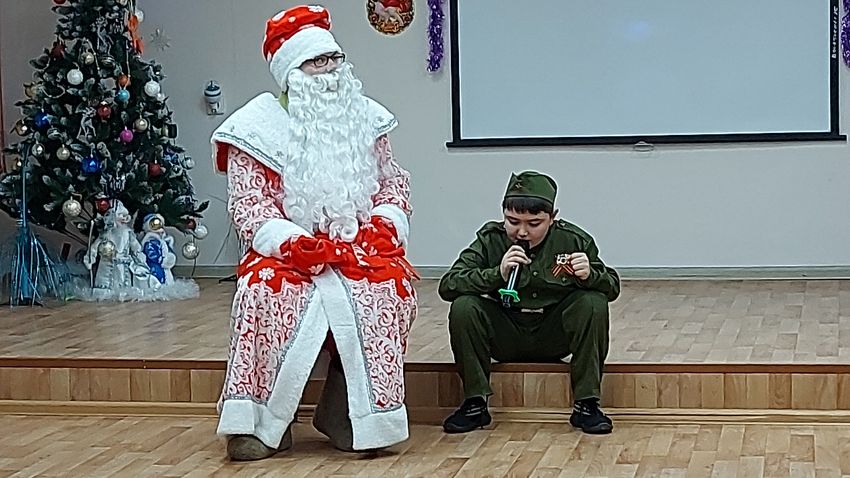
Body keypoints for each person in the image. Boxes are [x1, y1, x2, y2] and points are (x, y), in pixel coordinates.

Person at [210, 4, 417, 461]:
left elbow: (392, 182)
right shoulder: (253, 129)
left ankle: (348, 414)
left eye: (333, 59)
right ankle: (262, 422)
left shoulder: (367, 118)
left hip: (358, 246)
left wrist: (386, 223)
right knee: (265, 293)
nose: (328, 70)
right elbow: (249, 204)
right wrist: (290, 242)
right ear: (291, 72)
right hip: (286, 252)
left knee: (388, 289)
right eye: (315, 62)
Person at [438, 171, 619, 435]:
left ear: (552, 218)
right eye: (512, 221)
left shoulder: (573, 240)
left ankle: (587, 404)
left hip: (553, 332)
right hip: (506, 332)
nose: (522, 231)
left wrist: (591, 275)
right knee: (464, 307)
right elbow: (448, 285)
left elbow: (612, 287)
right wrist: (496, 274)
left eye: (534, 223)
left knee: (593, 302)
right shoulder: (490, 240)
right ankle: (474, 403)